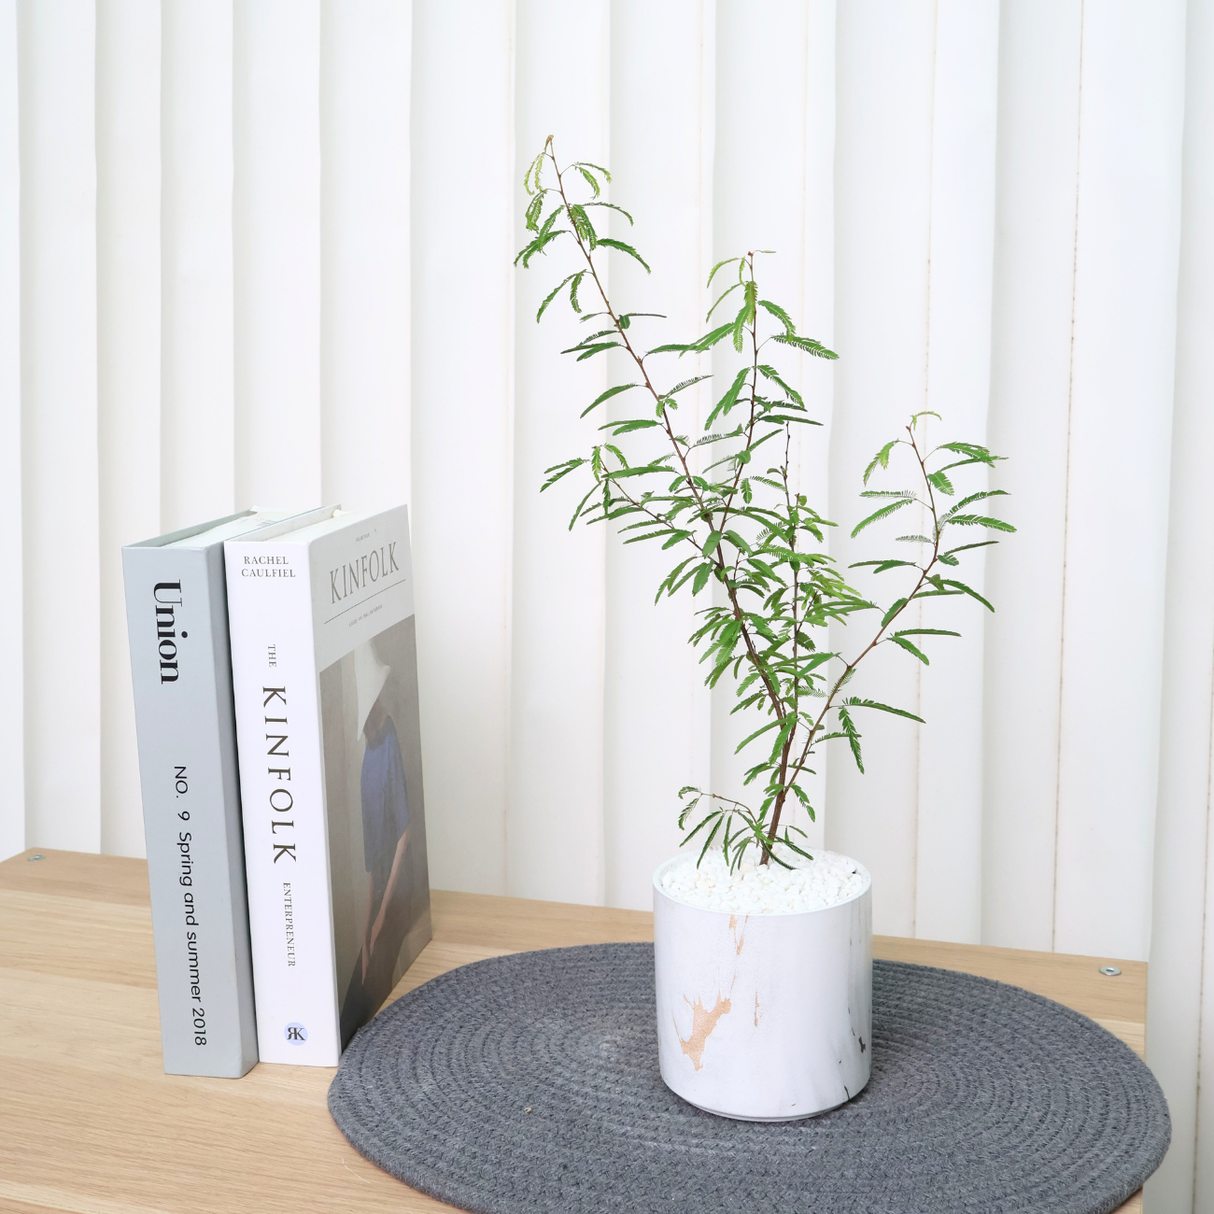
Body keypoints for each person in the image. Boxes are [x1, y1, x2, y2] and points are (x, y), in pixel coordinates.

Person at [339, 641, 411, 1047]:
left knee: (377, 984)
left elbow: (405, 833)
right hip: (379, 890)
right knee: (357, 984)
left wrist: (382, 915)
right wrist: (366, 926)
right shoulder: (366, 763)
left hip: (399, 888)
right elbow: (370, 862)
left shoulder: (391, 739)